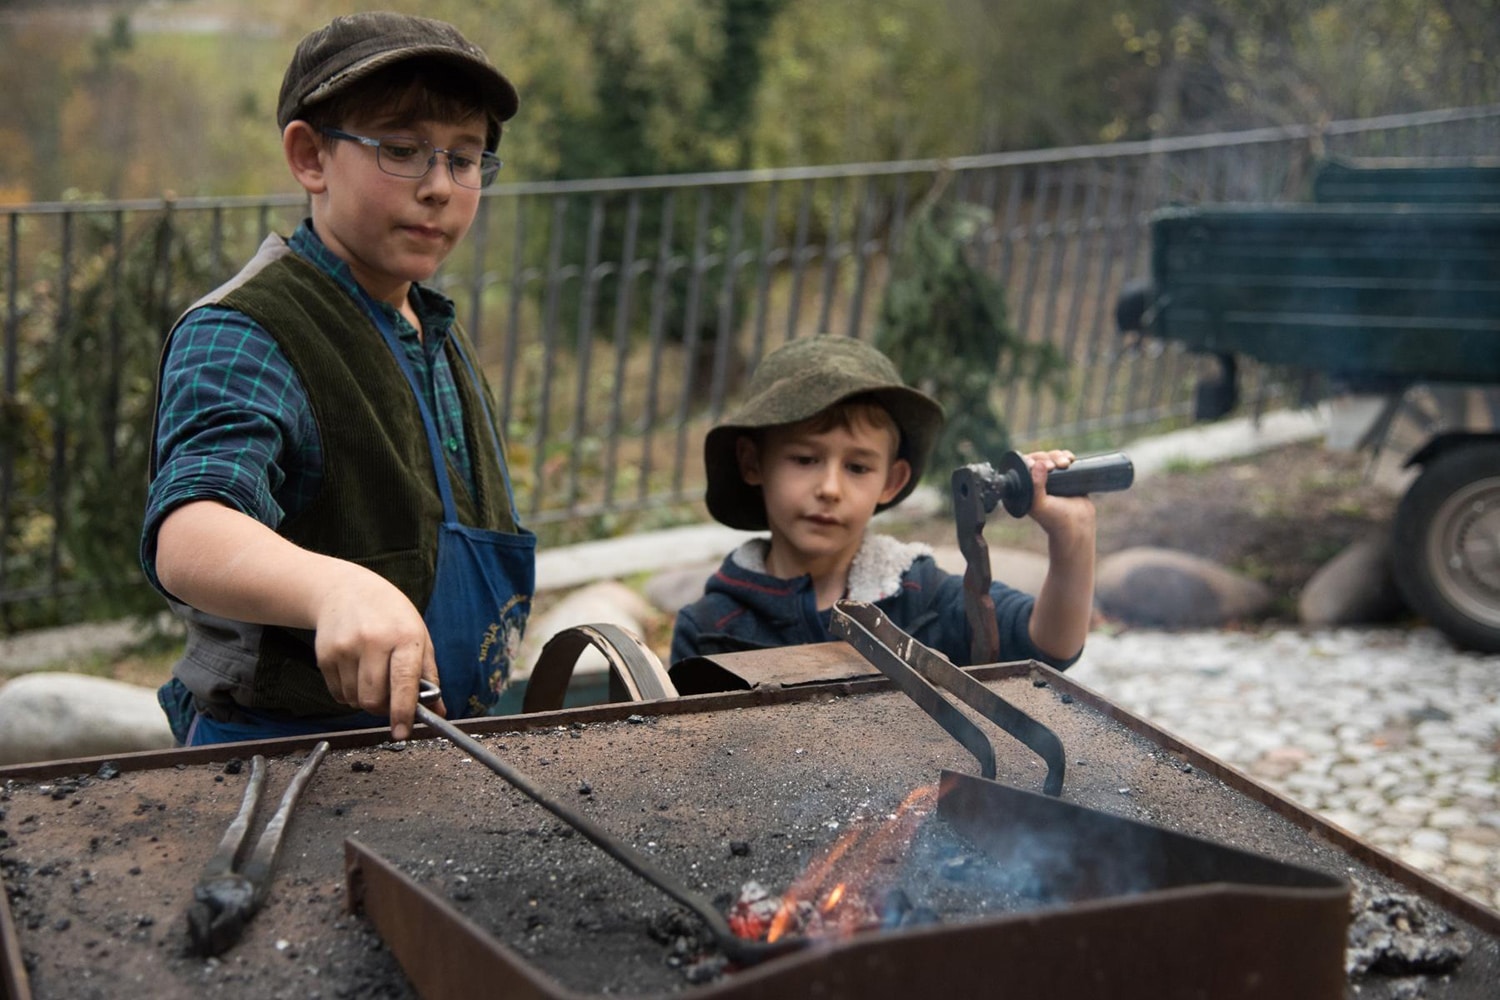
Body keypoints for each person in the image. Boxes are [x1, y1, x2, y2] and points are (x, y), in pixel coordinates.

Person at [141, 12, 533, 746]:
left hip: (436, 743)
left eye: (465, 157)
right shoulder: (248, 329)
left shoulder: (428, 323)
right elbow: (190, 530)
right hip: (281, 752)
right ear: (311, 157)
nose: (440, 187)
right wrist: (333, 587)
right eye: (403, 150)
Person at [669, 335, 1096, 669]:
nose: (831, 488)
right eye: (804, 459)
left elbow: (1048, 645)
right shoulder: (710, 629)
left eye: (857, 467)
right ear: (752, 462)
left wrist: (1072, 538)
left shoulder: (920, 595)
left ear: (892, 481)